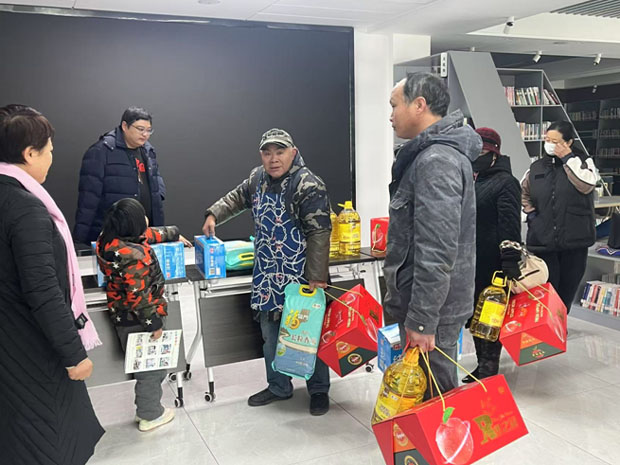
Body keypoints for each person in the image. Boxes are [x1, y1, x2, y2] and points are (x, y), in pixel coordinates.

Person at [202, 128, 332, 416]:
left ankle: (318, 389)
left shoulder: (308, 184)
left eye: (280, 152)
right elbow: (236, 198)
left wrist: (317, 278)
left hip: (301, 275)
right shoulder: (257, 179)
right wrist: (213, 214)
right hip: (268, 275)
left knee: (309, 334)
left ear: (293, 152)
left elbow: (320, 232)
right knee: (270, 334)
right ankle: (279, 386)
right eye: (267, 153)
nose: (273, 159)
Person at [0, 104, 104, 464]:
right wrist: (74, 354)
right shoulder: (25, 208)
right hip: (29, 349)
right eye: (49, 151)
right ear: (29, 154)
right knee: (49, 441)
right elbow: (42, 289)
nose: (52, 158)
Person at [383, 73, 481, 397]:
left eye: (394, 105)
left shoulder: (436, 161)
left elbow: (436, 249)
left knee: (433, 401)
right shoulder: (428, 157)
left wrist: (423, 320)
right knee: (419, 397)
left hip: (430, 311)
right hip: (425, 305)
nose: (391, 115)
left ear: (419, 105)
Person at [96, 198, 186, 432]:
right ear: (134, 226)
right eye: (143, 216)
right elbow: (139, 296)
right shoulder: (133, 258)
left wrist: (173, 234)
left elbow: (149, 234)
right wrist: (153, 323)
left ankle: (147, 408)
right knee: (151, 369)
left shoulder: (110, 241)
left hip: (123, 316)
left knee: (146, 367)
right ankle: (150, 414)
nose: (147, 220)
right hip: (140, 320)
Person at [462, 127, 522, 383]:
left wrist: (509, 259)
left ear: (494, 153)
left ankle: (488, 370)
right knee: (475, 316)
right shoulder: (474, 179)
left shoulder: (506, 182)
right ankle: (481, 364)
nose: (476, 157)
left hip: (492, 263)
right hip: (470, 261)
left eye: (481, 153)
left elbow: (510, 223)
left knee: (489, 315)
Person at [522, 120, 597, 313]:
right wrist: (532, 216)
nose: (549, 144)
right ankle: (547, 326)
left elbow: (586, 185)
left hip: (574, 240)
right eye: (547, 140)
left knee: (566, 291)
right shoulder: (536, 167)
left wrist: (568, 159)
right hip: (543, 240)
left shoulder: (583, 162)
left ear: (569, 142)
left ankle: (559, 324)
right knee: (547, 291)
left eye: (555, 141)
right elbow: (524, 194)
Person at [74, 107, 166, 245]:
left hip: (145, 232)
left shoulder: (148, 150)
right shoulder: (101, 151)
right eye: (140, 129)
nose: (145, 134)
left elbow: (156, 179)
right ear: (124, 126)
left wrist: (159, 195)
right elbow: (88, 198)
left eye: (149, 130)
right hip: (115, 234)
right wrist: (79, 238)